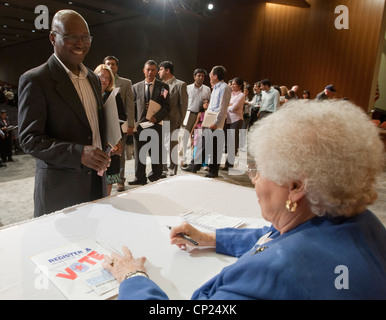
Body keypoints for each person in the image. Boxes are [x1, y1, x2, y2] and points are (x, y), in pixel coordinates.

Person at [103, 99, 386, 300]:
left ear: (296, 186)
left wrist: (133, 279)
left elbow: (277, 257)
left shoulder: (271, 275)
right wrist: (210, 238)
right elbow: (274, 237)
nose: (254, 179)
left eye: (260, 171)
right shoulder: (364, 224)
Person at [18, 9, 112, 217]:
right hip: (59, 193)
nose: (80, 44)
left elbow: (90, 128)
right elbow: (29, 140)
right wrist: (79, 153)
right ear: (53, 37)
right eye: (70, 37)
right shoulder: (36, 80)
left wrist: (105, 146)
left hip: (96, 184)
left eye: (85, 37)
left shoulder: (94, 80)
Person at [182, 65, 231, 178]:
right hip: (209, 119)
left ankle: (213, 171)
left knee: (215, 147)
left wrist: (216, 123)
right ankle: (194, 166)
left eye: (210, 74)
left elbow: (222, 108)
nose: (209, 76)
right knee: (202, 144)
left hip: (216, 121)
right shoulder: (215, 88)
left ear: (215, 75)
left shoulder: (224, 88)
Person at [129, 60, 170, 185]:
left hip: (155, 125)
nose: (150, 72)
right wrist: (133, 123)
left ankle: (155, 177)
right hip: (140, 127)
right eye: (148, 70)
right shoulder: (135, 87)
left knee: (155, 154)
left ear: (156, 71)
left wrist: (156, 118)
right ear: (144, 71)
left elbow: (166, 107)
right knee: (139, 154)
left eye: (153, 70)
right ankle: (139, 178)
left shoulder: (163, 87)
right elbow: (132, 108)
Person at [103, 56, 135, 192]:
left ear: (117, 67)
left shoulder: (126, 83)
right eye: (108, 64)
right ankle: (103, 180)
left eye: (113, 64)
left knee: (118, 154)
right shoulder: (97, 82)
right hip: (102, 128)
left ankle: (120, 180)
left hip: (119, 126)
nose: (111, 66)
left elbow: (129, 105)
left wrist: (130, 124)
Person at [94, 64, 126, 195]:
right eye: (101, 76)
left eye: (107, 78)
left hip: (111, 141)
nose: (104, 80)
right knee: (95, 176)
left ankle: (106, 199)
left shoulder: (113, 95)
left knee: (109, 175)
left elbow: (123, 116)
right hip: (94, 141)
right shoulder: (90, 95)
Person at [158, 61, 188, 176]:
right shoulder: (161, 85)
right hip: (161, 121)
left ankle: (172, 171)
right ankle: (164, 169)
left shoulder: (180, 84)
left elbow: (183, 105)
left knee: (172, 147)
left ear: (167, 70)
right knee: (162, 146)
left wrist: (180, 122)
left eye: (160, 70)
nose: (159, 72)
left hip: (173, 121)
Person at [180, 69, 211, 168]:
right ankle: (182, 159)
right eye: (199, 75)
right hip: (189, 113)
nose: (201, 77)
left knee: (200, 139)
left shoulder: (207, 89)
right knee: (184, 137)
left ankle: (198, 160)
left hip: (202, 115)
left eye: (202, 76)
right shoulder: (188, 88)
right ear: (194, 76)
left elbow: (208, 103)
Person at [223, 77, 245, 169]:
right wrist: (229, 105)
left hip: (236, 120)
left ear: (239, 86)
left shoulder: (241, 95)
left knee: (233, 142)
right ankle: (226, 163)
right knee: (227, 142)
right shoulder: (230, 93)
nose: (232, 86)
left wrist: (229, 105)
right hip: (227, 120)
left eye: (234, 84)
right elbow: (224, 104)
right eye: (232, 84)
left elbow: (233, 108)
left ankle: (229, 164)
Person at [190, 98, 209, 170]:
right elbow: (196, 123)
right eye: (204, 103)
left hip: (207, 130)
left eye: (207, 103)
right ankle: (195, 161)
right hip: (199, 131)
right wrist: (192, 132)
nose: (206, 104)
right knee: (197, 146)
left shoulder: (210, 113)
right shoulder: (200, 114)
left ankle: (205, 164)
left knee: (206, 147)